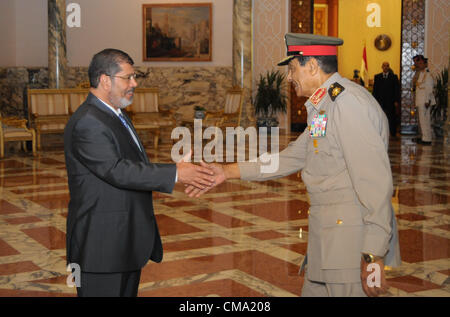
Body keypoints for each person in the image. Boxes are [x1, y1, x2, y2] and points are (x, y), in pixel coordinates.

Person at [186, 33, 401, 297]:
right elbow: (292, 156)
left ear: (312, 66)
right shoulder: (326, 106)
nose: (289, 77)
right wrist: (227, 171)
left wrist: (373, 255)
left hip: (350, 242)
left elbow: (375, 182)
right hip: (328, 233)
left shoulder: (348, 104)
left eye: (292, 68)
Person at [64, 48, 215, 297]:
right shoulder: (89, 121)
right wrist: (175, 173)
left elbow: (130, 165)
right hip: (102, 247)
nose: (134, 83)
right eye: (128, 77)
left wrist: (174, 169)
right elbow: (116, 170)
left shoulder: (115, 114)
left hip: (123, 241)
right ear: (105, 80)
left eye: (135, 77)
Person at [372, 62, 401, 138]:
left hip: (390, 101)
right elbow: (375, 90)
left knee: (391, 118)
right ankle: (379, 132)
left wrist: (396, 101)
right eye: (384, 66)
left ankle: (393, 133)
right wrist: (374, 101)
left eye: (387, 66)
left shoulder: (394, 77)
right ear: (382, 67)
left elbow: (396, 90)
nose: (385, 67)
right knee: (380, 117)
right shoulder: (377, 76)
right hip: (380, 101)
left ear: (389, 67)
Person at [412, 55, 435, 145]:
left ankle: (427, 139)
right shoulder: (422, 73)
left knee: (425, 120)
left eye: (421, 63)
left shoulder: (427, 74)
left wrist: (427, 100)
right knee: (422, 120)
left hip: (424, 101)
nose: (419, 64)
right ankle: (425, 138)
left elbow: (429, 89)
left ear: (425, 64)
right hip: (420, 100)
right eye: (418, 63)